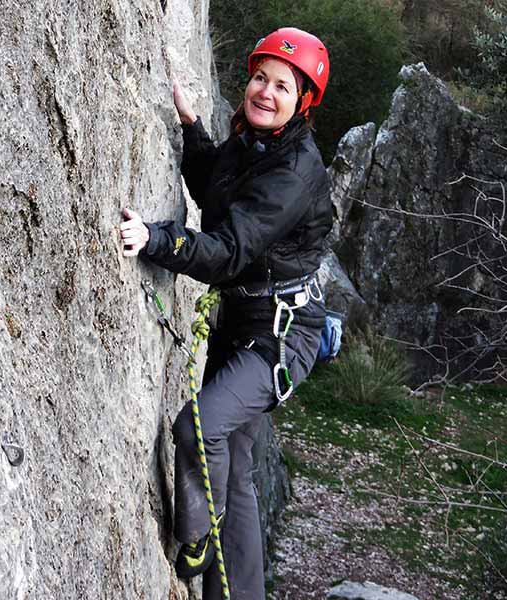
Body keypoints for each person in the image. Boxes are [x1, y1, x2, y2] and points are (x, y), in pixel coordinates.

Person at [120, 27, 332, 600]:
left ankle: (192, 545)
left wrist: (158, 240)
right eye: (260, 77)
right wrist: (191, 129)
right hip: (244, 326)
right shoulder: (252, 142)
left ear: (303, 103)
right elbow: (218, 190)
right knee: (234, 473)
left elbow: (231, 248)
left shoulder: (296, 171)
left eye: (282, 86)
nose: (265, 92)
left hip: (278, 339)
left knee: (199, 426)